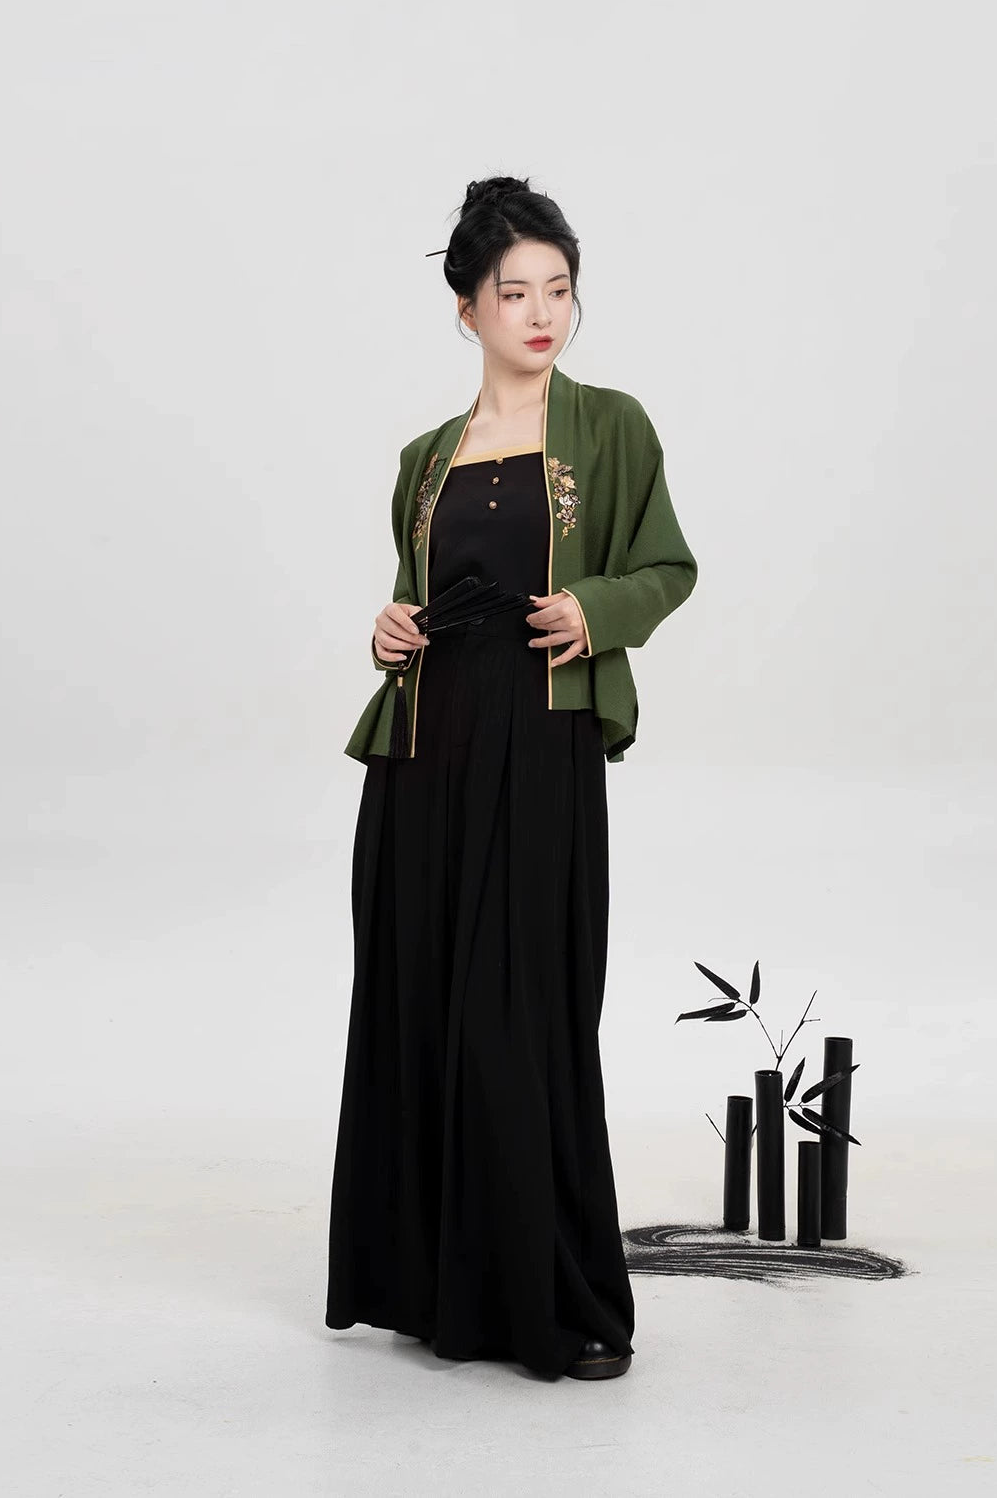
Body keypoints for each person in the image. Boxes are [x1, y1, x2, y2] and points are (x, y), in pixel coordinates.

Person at [326, 175, 698, 1381]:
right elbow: (417, 599)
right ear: (466, 308)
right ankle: (433, 1289)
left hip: (539, 751)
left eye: (559, 290)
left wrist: (594, 610)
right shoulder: (424, 459)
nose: (543, 314)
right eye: (516, 293)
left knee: (527, 1013)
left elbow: (667, 566)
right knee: (422, 1001)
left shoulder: (612, 426)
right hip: (424, 757)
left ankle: (559, 1296)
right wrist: (389, 629)